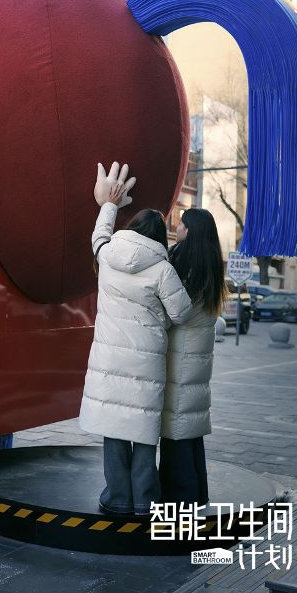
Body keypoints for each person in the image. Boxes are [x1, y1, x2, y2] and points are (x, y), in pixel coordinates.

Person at [79, 164, 192, 516]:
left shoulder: (109, 255)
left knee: (113, 427)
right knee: (143, 430)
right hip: (146, 362)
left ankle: (116, 496)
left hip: (109, 361)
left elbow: (99, 234)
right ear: (160, 237)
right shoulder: (162, 269)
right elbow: (182, 313)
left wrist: (109, 204)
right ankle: (145, 501)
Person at [159, 208, 227, 506]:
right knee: (189, 429)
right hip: (197, 354)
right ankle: (197, 494)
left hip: (181, 355)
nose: (178, 228)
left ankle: (179, 498)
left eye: (182, 224)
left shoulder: (184, 261)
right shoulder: (210, 260)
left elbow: (174, 310)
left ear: (191, 230)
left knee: (176, 429)